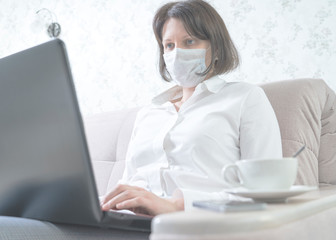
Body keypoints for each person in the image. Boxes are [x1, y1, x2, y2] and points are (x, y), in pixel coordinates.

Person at [101, 0, 282, 216]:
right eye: (169, 45)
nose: (177, 53)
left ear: (216, 48)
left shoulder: (245, 98)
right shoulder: (149, 113)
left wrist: (177, 205)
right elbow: (127, 183)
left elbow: (266, 191)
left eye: (189, 41)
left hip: (195, 223)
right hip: (129, 223)